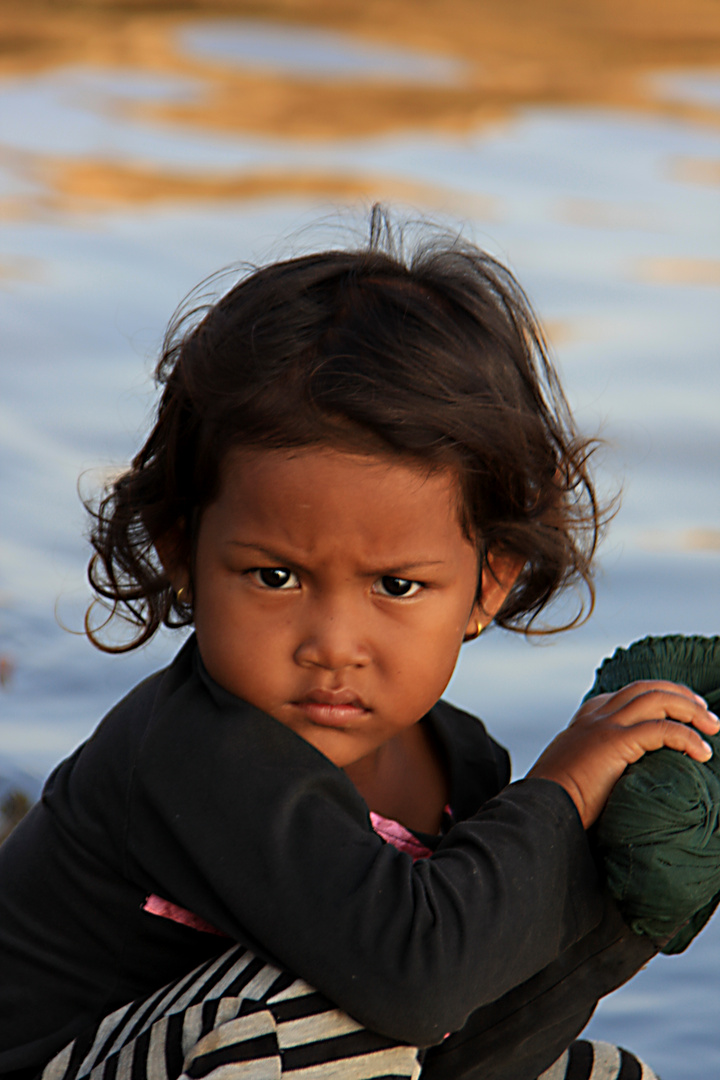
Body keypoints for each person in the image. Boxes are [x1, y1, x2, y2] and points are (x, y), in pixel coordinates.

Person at [0, 210, 716, 1080]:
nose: (333, 645)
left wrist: (634, 891)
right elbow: (414, 980)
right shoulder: (195, 756)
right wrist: (562, 793)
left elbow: (483, 1023)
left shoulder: (461, 759)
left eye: (396, 586)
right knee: (320, 1003)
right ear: (182, 548)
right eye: (274, 578)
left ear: (488, 582)